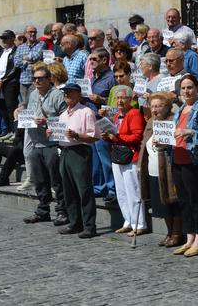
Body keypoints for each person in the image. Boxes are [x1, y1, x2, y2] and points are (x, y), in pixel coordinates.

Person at [169, 75, 198, 257]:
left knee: (197, 202)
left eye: (190, 88)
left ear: (197, 89)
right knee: (184, 202)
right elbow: (174, 134)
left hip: (193, 161)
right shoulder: (180, 109)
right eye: (184, 88)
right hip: (178, 160)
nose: (187, 91)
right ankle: (189, 238)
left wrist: (190, 132)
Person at [21, 66, 68, 226]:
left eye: (40, 78)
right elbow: (29, 111)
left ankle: (62, 211)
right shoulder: (33, 94)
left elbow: (65, 119)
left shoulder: (57, 95)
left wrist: (47, 121)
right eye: (35, 78)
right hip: (36, 142)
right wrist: (19, 112)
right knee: (39, 180)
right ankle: (43, 210)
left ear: (49, 79)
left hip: (52, 143)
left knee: (56, 179)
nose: (37, 81)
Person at [53, 83, 99, 238]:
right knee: (68, 190)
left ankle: (89, 226)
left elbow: (94, 137)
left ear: (79, 95)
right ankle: (75, 223)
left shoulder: (86, 112)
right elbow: (60, 135)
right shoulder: (63, 114)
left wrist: (77, 135)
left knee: (84, 189)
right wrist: (51, 133)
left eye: (70, 92)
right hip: (65, 151)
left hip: (80, 151)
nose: (67, 95)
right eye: (65, 92)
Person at [138, 92, 182, 248]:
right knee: (161, 205)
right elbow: (144, 144)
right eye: (152, 106)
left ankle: (177, 234)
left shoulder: (172, 121)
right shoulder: (150, 122)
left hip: (168, 169)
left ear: (167, 107)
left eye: (159, 106)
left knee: (172, 203)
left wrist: (166, 144)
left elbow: (177, 143)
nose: (155, 109)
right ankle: (169, 233)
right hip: (153, 169)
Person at [101, 85, 147, 236]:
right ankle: (128, 221)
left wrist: (117, 137)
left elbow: (137, 136)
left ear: (129, 99)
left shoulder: (134, 113)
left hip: (130, 156)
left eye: (123, 98)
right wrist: (108, 137)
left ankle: (139, 223)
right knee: (121, 192)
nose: (120, 101)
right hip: (118, 155)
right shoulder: (117, 115)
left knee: (133, 191)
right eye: (118, 98)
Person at [88, 48, 117, 203]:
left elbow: (116, 101)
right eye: (90, 59)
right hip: (92, 122)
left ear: (104, 60)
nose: (91, 62)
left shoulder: (111, 78)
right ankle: (99, 187)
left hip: (104, 123)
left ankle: (112, 189)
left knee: (105, 157)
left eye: (94, 59)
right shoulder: (92, 78)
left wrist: (102, 100)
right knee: (95, 158)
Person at [0, 30, 20, 140]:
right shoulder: (1, 52)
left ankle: (15, 131)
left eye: (5, 38)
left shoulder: (16, 51)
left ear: (12, 38)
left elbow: (15, 68)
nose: (3, 40)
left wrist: (3, 80)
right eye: (2, 38)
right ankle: (8, 129)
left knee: (11, 107)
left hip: (10, 83)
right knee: (1, 107)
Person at [14, 25, 45, 107]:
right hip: (23, 80)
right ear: (25, 34)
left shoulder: (41, 44)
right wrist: (27, 60)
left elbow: (36, 57)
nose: (33, 34)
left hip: (36, 80)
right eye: (30, 32)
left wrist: (24, 58)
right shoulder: (20, 47)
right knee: (24, 104)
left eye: (35, 32)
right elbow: (16, 63)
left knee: (34, 104)